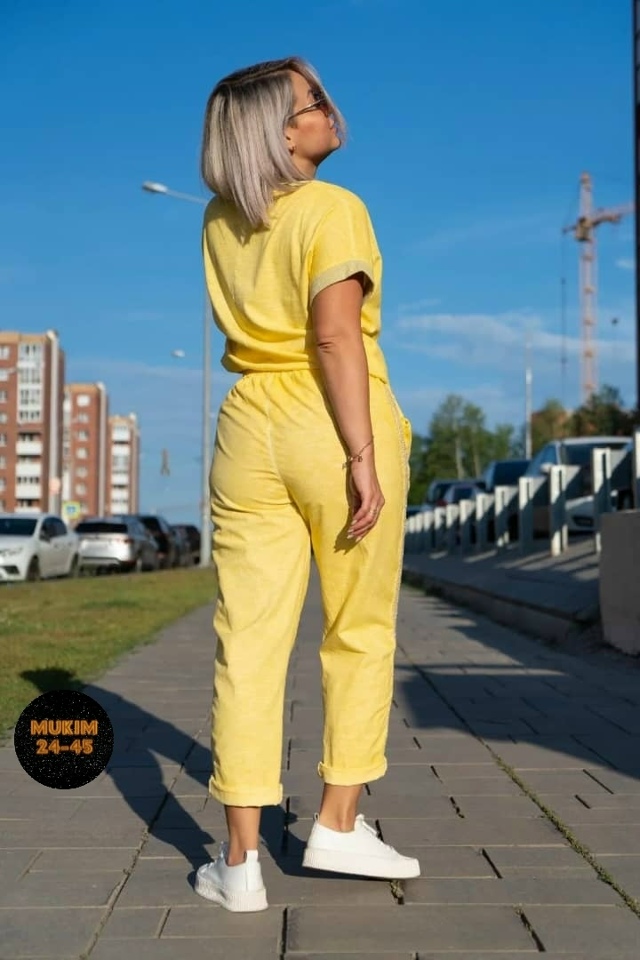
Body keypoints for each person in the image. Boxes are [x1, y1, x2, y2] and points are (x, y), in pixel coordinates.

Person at [195, 56, 419, 913]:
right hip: (331, 417)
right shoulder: (334, 208)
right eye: (313, 101)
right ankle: (336, 824)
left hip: (247, 424)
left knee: (249, 641)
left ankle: (239, 864)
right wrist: (361, 453)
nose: (331, 108)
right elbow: (334, 337)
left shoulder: (219, 220)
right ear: (280, 133)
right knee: (357, 626)